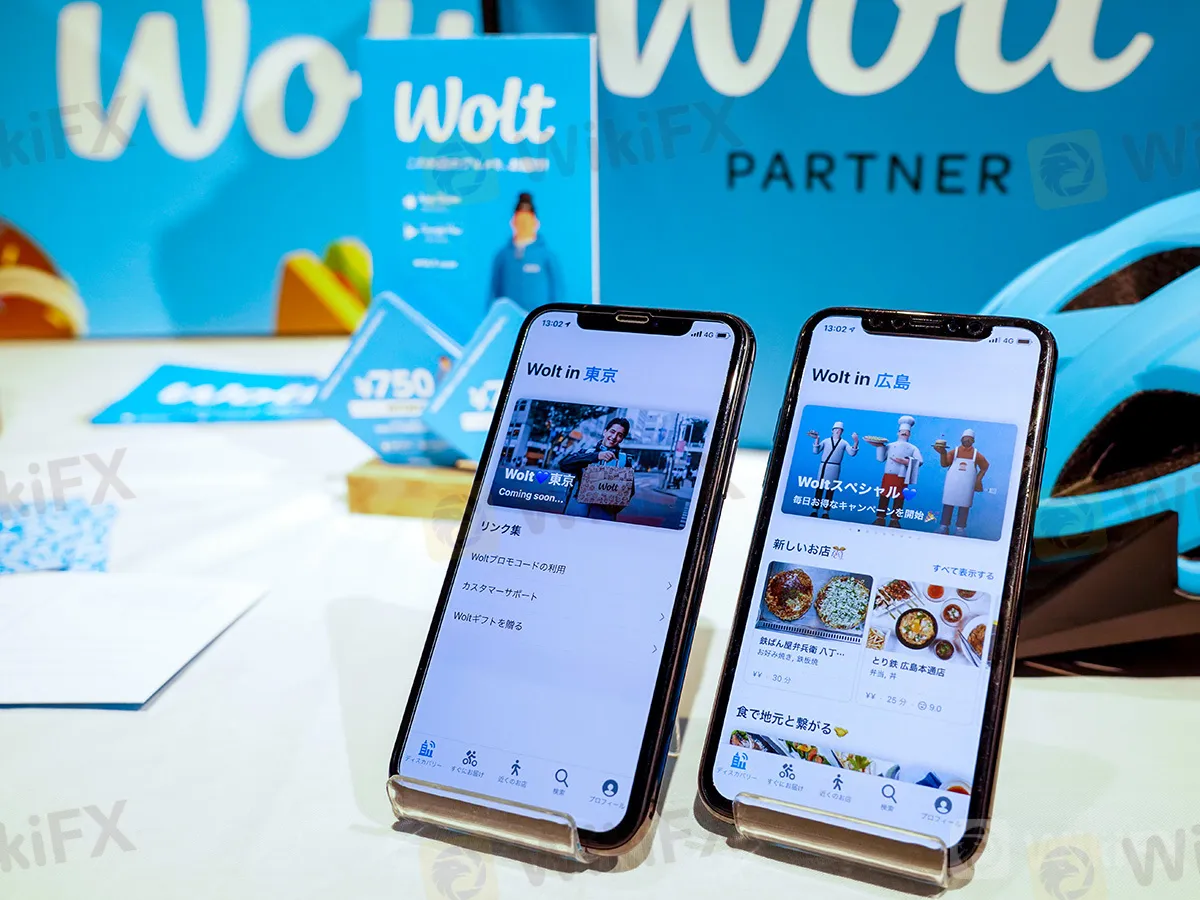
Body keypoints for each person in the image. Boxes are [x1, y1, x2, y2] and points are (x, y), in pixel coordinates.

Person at [489, 192, 562, 309]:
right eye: (520, 221)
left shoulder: (546, 256)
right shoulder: (502, 256)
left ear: (536, 223)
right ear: (513, 222)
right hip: (510, 317)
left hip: (538, 317)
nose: (523, 226)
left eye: (527, 221)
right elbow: (494, 292)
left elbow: (557, 292)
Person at [557, 417, 635, 520]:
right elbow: (563, 464)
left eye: (620, 435)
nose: (614, 437)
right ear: (605, 432)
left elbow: (629, 491)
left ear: (622, 439)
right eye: (612, 432)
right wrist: (596, 456)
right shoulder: (586, 453)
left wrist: (614, 507)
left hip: (603, 517)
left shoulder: (624, 460)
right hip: (576, 512)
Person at [935, 428, 990, 536]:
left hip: (967, 485)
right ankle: (944, 526)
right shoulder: (954, 452)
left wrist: (978, 479)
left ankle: (960, 528)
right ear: (961, 439)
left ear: (973, 441)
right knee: (948, 504)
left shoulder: (976, 455)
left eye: (970, 439)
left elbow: (985, 467)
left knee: (964, 506)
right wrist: (943, 453)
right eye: (965, 438)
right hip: (952, 483)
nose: (967, 441)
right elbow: (944, 464)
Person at [872, 415, 922, 528]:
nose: (904, 433)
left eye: (906, 432)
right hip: (888, 475)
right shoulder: (890, 445)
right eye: (902, 431)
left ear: (909, 434)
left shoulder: (913, 448)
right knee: (884, 496)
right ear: (898, 433)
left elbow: (920, 461)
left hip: (901, 476)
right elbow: (880, 459)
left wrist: (906, 461)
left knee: (899, 498)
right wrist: (880, 446)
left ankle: (895, 519)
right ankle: (880, 517)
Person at [808, 422, 859, 517]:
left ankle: (826, 511)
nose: (837, 431)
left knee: (830, 490)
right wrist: (817, 439)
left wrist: (855, 442)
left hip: (834, 468)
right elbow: (816, 451)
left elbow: (852, 453)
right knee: (819, 488)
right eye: (836, 429)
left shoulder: (844, 443)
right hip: (824, 466)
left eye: (840, 430)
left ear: (842, 432)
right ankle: (815, 509)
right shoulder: (826, 441)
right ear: (832, 430)